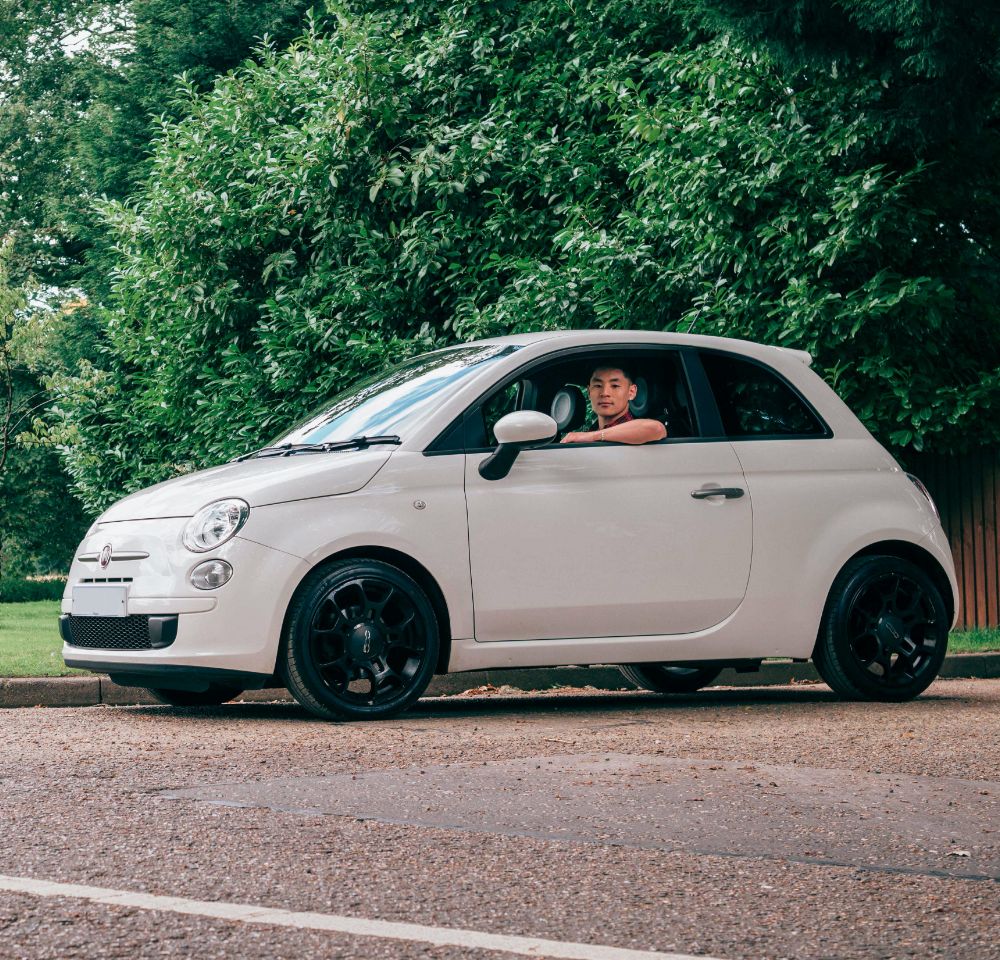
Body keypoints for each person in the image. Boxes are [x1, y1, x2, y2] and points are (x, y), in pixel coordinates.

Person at [560, 364, 667, 444]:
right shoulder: (591, 431)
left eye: (615, 386)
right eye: (598, 385)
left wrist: (592, 436)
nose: (604, 393)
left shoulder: (635, 432)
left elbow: (657, 429)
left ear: (631, 392)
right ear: (589, 392)